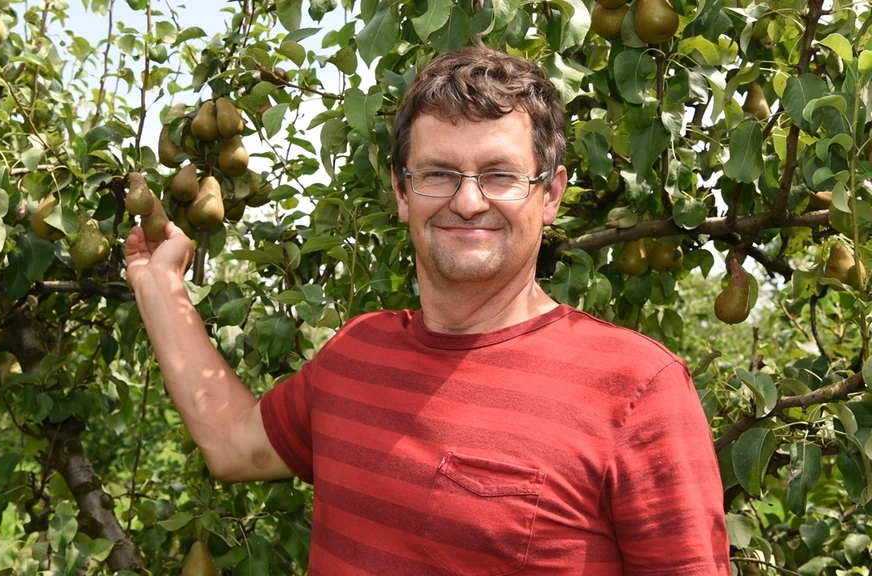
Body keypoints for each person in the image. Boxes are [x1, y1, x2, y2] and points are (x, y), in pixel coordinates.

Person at [125, 45, 731, 575]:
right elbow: (232, 444)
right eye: (439, 173)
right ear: (400, 191)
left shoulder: (637, 390)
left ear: (549, 193)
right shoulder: (356, 354)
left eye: (500, 175)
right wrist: (158, 283)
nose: (468, 202)